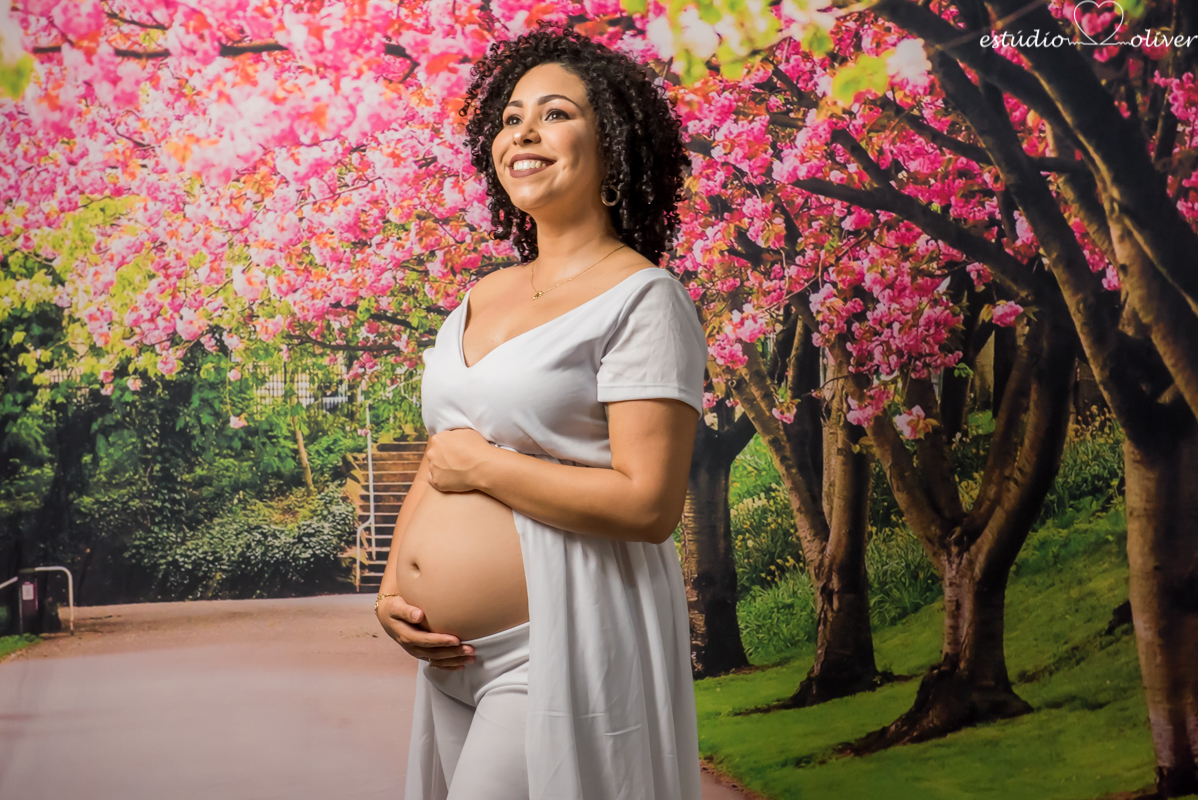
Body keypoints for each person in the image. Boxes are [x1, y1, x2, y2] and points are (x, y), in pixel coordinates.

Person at [375, 21, 707, 800]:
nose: (524, 131)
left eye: (556, 113)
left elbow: (649, 503)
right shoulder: (483, 293)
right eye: (512, 116)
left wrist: (487, 466)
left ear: (614, 146)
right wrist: (392, 587)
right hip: (453, 657)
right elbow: (442, 452)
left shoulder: (643, 300)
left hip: (559, 645)